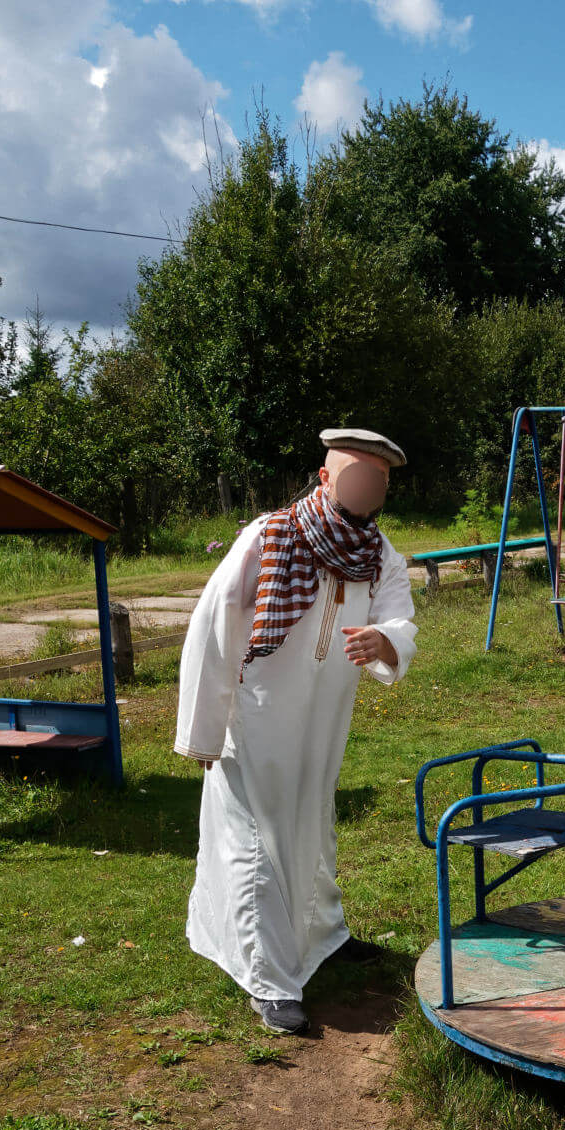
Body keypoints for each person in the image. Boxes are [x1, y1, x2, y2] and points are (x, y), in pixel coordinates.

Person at [174, 428, 418, 1036]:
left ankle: (324, 935)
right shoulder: (272, 534)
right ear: (325, 477)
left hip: (324, 716)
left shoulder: (379, 552)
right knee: (257, 837)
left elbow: (400, 617)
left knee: (311, 816)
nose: (368, 486)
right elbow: (214, 626)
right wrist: (204, 729)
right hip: (255, 716)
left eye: (378, 480)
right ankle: (272, 981)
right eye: (356, 473)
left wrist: (386, 640)